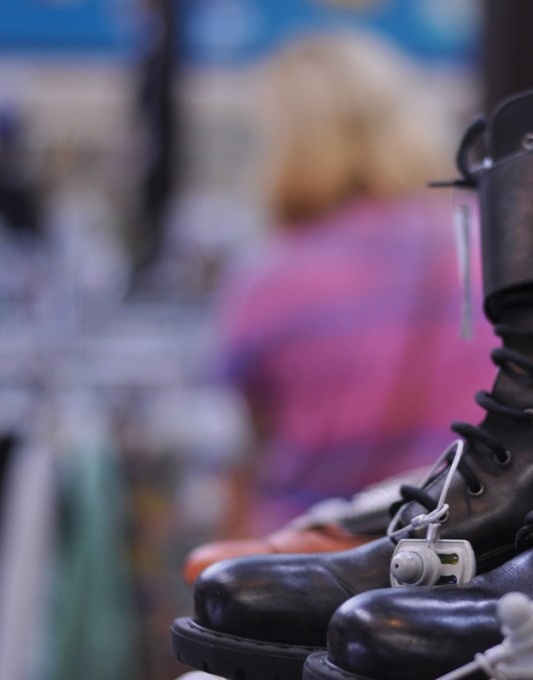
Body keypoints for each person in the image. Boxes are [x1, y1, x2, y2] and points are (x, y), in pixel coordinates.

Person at [209, 31, 494, 541]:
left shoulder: (269, 279)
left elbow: (252, 448)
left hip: (312, 566)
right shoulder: (487, 238)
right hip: (463, 549)